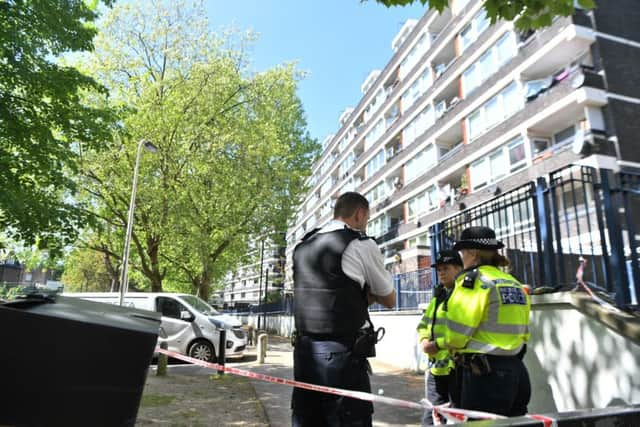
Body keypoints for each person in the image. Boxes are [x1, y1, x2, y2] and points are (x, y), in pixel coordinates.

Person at [291, 192, 396, 427]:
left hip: (304, 355)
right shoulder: (360, 243)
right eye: (367, 219)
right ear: (359, 214)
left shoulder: (303, 246)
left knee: (308, 419)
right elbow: (389, 298)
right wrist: (368, 295)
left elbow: (329, 295)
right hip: (342, 358)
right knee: (349, 420)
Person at [423, 226, 531, 417]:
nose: (461, 257)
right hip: (517, 371)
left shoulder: (472, 282)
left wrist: (436, 345)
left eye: (462, 252)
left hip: (485, 377)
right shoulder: (512, 282)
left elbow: (456, 335)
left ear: (472, 254)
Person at [416, 250, 463, 425]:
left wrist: (438, 345)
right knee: (432, 415)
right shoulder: (439, 296)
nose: (441, 272)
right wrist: (424, 341)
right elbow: (423, 324)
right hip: (437, 369)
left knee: (460, 415)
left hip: (458, 368)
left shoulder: (464, 294)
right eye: (439, 269)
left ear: (459, 269)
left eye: (446, 268)